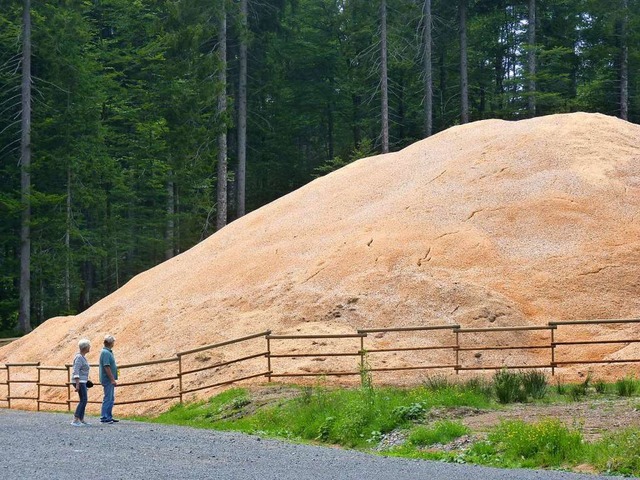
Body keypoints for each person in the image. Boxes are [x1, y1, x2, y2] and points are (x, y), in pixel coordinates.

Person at [71, 339, 91, 426]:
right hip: (80, 381)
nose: (90, 347)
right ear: (85, 347)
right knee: (84, 400)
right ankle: (75, 419)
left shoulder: (82, 357)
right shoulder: (79, 357)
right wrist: (78, 384)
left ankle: (81, 419)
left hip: (82, 381)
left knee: (83, 399)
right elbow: (76, 370)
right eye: (89, 346)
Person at [99, 334, 119, 424]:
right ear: (111, 343)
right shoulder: (106, 353)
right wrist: (112, 379)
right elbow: (106, 366)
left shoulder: (107, 352)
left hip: (108, 379)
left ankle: (108, 416)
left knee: (110, 398)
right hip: (107, 379)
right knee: (108, 398)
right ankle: (104, 417)